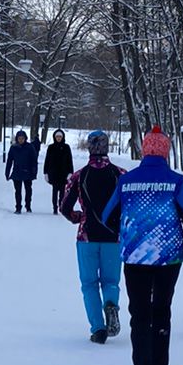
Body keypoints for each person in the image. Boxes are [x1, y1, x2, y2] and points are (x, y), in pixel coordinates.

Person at [102, 126, 183, 365]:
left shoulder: (126, 181)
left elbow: (108, 214)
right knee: (162, 310)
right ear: (166, 151)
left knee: (139, 312)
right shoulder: (176, 181)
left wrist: (122, 231)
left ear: (144, 150)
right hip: (169, 255)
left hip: (135, 255)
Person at [59, 129, 123, 343]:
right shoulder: (120, 174)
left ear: (89, 148)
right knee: (110, 280)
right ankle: (111, 304)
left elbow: (65, 206)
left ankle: (98, 328)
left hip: (87, 236)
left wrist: (78, 217)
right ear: (107, 147)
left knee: (89, 283)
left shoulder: (78, 176)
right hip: (113, 236)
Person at [4, 129, 40, 212]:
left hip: (27, 172)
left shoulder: (30, 147)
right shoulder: (13, 148)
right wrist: (7, 172)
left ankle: (28, 205)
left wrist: (34, 172)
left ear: (25, 138)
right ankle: (18, 207)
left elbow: (34, 160)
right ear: (17, 139)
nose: (21, 140)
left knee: (28, 190)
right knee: (18, 191)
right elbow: (9, 161)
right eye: (19, 138)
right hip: (17, 172)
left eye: (22, 138)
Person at [43, 129, 75, 213]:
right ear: (54, 137)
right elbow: (47, 160)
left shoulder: (66, 147)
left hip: (63, 173)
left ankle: (61, 205)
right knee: (54, 191)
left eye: (60, 137)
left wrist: (70, 173)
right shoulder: (51, 147)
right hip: (53, 173)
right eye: (57, 136)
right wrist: (45, 172)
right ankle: (54, 207)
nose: (58, 138)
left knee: (62, 192)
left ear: (62, 137)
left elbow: (69, 160)